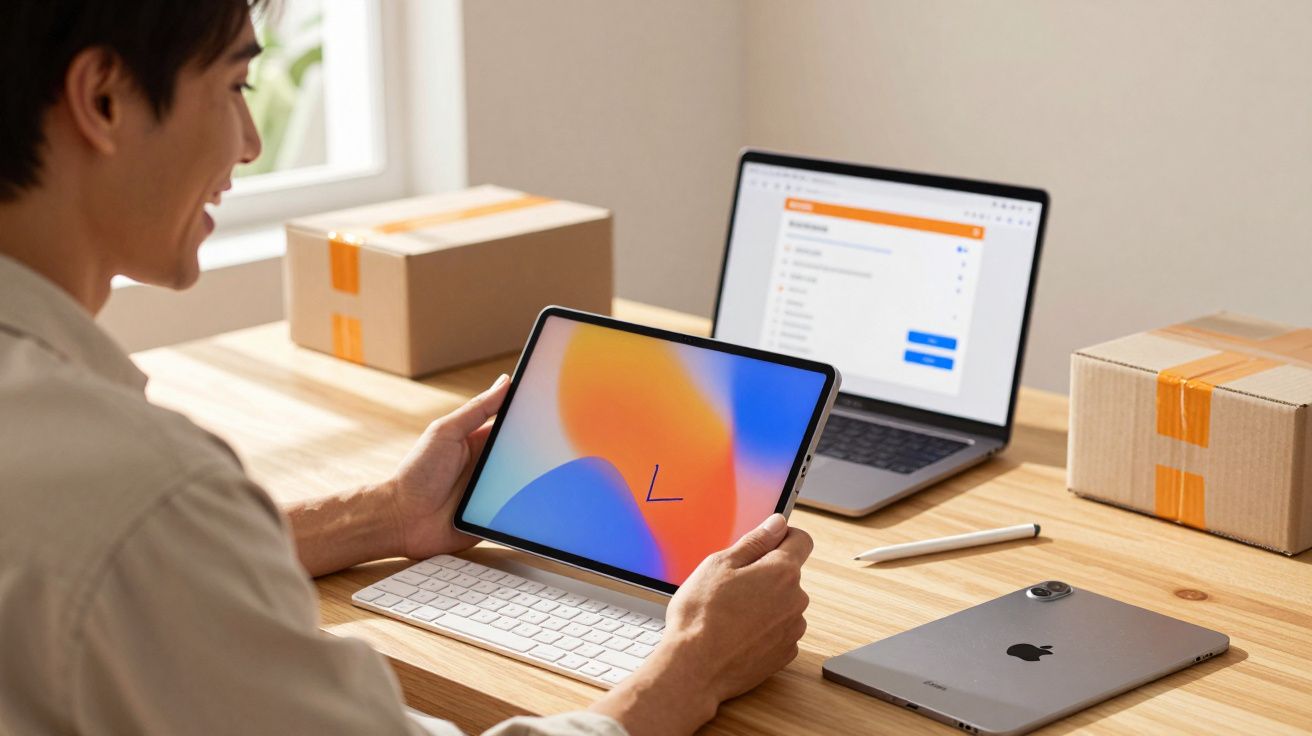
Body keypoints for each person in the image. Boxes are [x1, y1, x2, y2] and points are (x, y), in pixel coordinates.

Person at [0, 2, 814, 735]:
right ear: (103, 98)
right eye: (235, 85)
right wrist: (690, 672)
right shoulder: (139, 491)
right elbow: (147, 543)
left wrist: (386, 514)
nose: (248, 143)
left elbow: (148, 577)